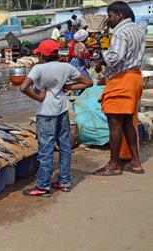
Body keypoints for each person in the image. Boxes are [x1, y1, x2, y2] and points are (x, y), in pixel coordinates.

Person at [20, 39, 92, 196]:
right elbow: (88, 82)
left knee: (46, 149)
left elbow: (23, 87)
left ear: (41, 55)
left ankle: (42, 186)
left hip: (46, 111)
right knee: (65, 147)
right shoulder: (66, 67)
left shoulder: (38, 69)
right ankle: (64, 181)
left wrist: (37, 97)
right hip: (62, 108)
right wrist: (67, 86)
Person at [94, 1, 146, 175]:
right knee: (127, 122)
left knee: (115, 123)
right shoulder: (139, 29)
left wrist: (102, 60)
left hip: (122, 79)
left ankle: (114, 164)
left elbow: (116, 57)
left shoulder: (120, 32)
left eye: (110, 16)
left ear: (119, 16)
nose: (108, 20)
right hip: (135, 78)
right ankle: (135, 161)